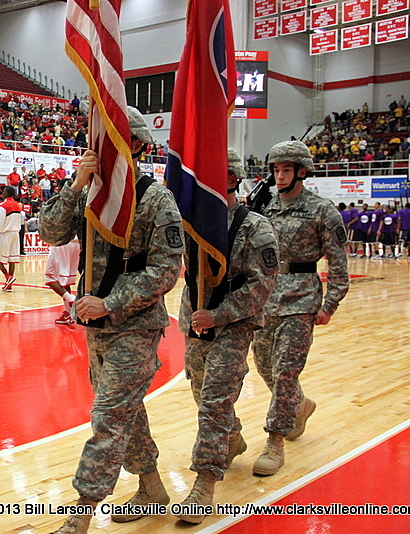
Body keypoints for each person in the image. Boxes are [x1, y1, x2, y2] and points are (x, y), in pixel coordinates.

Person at [39, 107, 184, 534]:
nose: (103, 149)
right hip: (96, 327)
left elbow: (166, 270)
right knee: (126, 412)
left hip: (135, 324)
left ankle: (82, 511)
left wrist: (111, 303)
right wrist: (75, 185)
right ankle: (152, 488)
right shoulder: (91, 194)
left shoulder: (156, 199)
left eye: (113, 141)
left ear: (135, 145)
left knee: (107, 417)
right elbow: (50, 233)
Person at [175, 149, 279, 524]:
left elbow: (262, 285)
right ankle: (231, 438)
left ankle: (205, 481)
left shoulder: (255, 227)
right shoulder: (190, 223)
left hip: (234, 323)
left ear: (232, 179)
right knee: (200, 389)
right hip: (195, 319)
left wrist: (218, 314)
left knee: (216, 400)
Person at [252, 141, 349, 477]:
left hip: (302, 298)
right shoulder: (264, 207)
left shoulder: (322, 211)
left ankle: (274, 442)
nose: (280, 176)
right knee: (265, 366)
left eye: (286, 170)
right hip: (266, 296)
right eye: (276, 170)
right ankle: (300, 404)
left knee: (285, 372)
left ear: (302, 172)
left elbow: (338, 264)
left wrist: (330, 304)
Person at [0, 186, 22, 292]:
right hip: (15, 233)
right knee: (12, 259)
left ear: (7, 193)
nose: (3, 193)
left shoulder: (3, 205)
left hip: (5, 233)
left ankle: (7, 276)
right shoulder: (17, 205)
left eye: (4, 192)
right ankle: (9, 285)